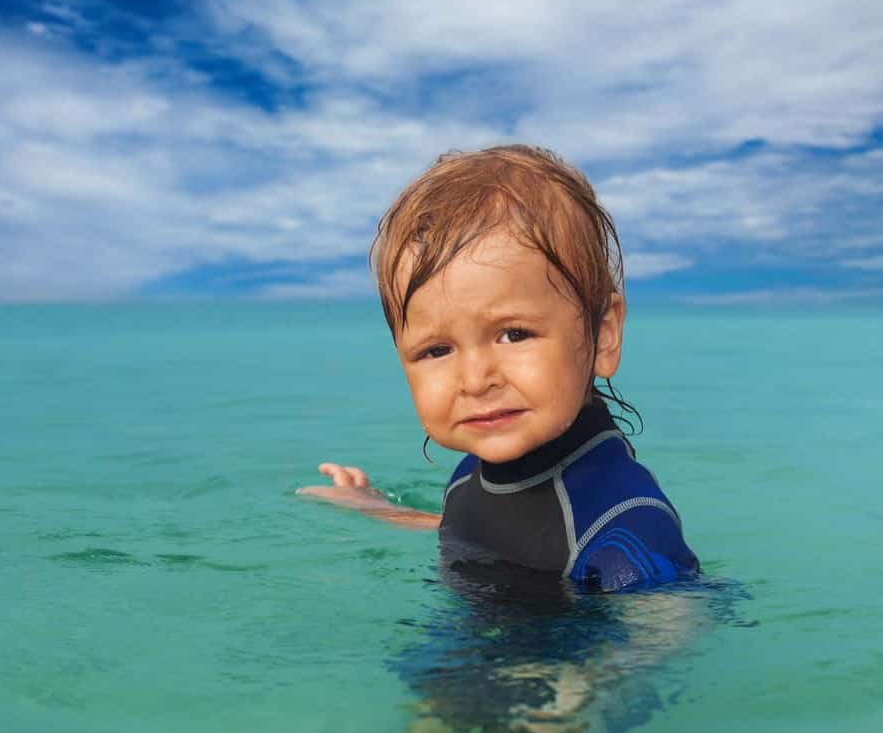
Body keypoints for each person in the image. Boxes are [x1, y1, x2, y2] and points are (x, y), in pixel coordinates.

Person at [298, 144, 699, 592]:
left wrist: (583, 666)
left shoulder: (625, 520)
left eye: (514, 334)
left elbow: (667, 624)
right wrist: (368, 505)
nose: (475, 380)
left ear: (603, 334)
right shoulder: (472, 474)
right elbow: (480, 530)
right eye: (437, 350)